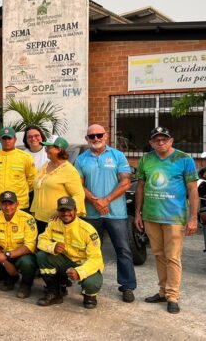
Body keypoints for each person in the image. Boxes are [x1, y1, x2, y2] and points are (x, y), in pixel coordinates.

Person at [134, 126, 199, 314]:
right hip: (151, 216)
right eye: (157, 140)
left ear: (171, 141)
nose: (161, 143)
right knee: (159, 255)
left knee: (172, 257)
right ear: (151, 143)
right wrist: (137, 213)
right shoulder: (146, 159)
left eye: (164, 139)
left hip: (174, 218)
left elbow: (193, 190)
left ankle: (172, 295)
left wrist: (193, 218)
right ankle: (162, 291)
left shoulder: (184, 159)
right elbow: (140, 187)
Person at [75, 124, 136, 303]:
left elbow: (125, 182)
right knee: (90, 251)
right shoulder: (81, 159)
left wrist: (106, 200)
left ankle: (128, 286)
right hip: (91, 213)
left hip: (115, 213)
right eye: (91, 136)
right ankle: (90, 286)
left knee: (123, 250)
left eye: (99, 135)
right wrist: (95, 200)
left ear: (106, 136)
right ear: (87, 139)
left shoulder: (118, 156)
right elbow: (78, 184)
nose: (95, 139)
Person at [36, 196, 104, 309]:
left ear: (75, 211)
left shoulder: (87, 230)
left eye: (69, 210)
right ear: (58, 212)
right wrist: (53, 247)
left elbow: (96, 259)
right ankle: (55, 292)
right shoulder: (54, 223)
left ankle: (89, 296)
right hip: (65, 262)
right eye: (62, 210)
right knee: (42, 256)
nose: (66, 213)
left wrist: (79, 272)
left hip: (83, 264)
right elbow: (41, 240)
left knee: (92, 284)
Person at [0, 191, 38, 298]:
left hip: (21, 255)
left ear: (17, 204)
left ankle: (26, 285)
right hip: (2, 255)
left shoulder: (27, 219)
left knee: (27, 263)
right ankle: (9, 276)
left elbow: (30, 245)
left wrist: (6, 256)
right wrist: (5, 262)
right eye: (4, 204)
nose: (7, 207)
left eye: (11, 204)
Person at [31, 137, 85, 234]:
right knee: (41, 246)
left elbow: (79, 195)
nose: (46, 149)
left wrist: (63, 211)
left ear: (59, 149)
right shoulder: (46, 166)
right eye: (45, 147)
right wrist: (34, 211)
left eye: (49, 147)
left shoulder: (69, 170)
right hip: (40, 219)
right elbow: (39, 189)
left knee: (56, 248)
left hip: (57, 220)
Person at [0, 127, 36, 213]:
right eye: (4, 138)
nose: (7, 141)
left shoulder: (25, 157)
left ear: (15, 139)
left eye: (9, 138)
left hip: (20, 204)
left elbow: (31, 179)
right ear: (0, 140)